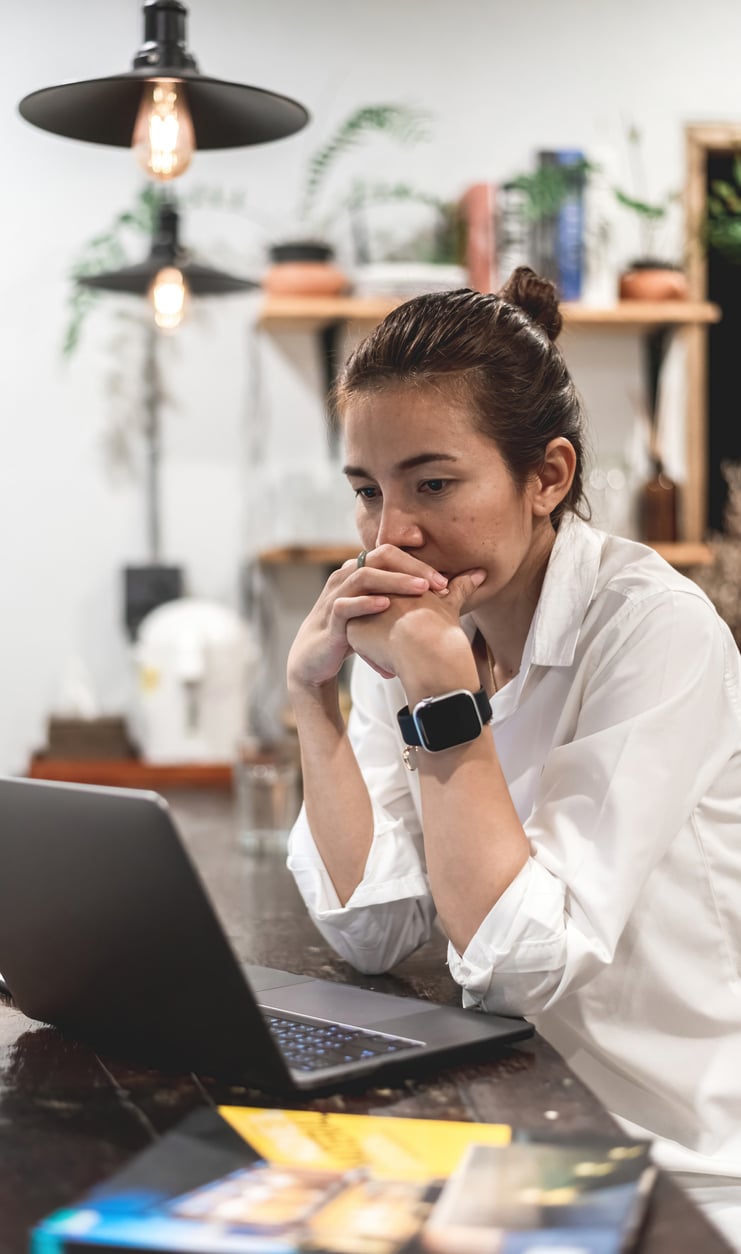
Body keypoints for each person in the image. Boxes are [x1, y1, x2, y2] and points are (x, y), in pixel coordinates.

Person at [285, 267, 741, 1246]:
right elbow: (372, 927)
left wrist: (442, 694)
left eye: (434, 483)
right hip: (504, 1128)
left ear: (549, 477)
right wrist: (310, 700)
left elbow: (524, 965)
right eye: (369, 491)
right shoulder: (423, 628)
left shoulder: (657, 631)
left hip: (671, 1168)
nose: (391, 532)